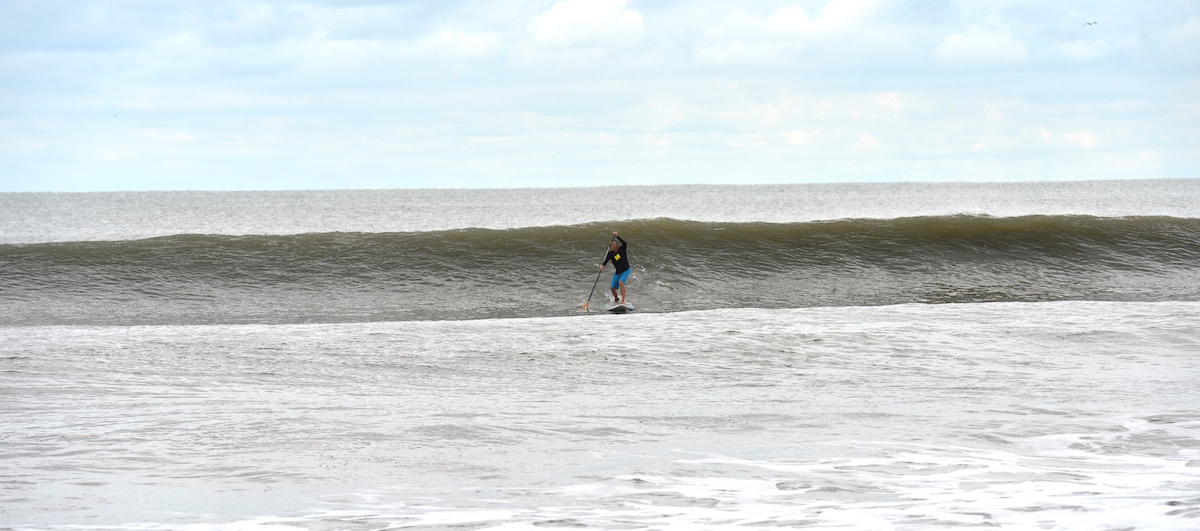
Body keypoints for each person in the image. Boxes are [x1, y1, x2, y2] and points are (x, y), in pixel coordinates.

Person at [600, 231, 630, 304]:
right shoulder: (610, 253)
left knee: (620, 282)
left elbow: (625, 243)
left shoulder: (622, 249)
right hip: (618, 272)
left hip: (626, 270)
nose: (611, 247)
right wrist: (602, 265)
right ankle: (616, 299)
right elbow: (606, 260)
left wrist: (617, 236)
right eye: (610, 246)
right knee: (612, 287)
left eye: (612, 245)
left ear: (616, 246)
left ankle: (623, 300)